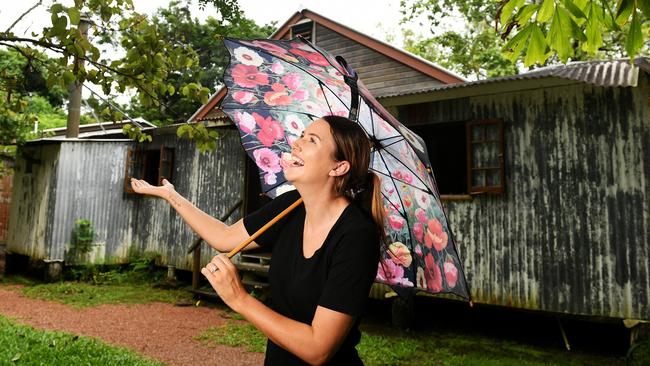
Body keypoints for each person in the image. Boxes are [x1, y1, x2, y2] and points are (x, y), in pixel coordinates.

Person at [130, 115, 384, 365]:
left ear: (338, 167)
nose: (297, 143)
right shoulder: (290, 206)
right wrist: (171, 196)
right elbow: (224, 237)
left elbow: (317, 349)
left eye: (312, 140)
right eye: (302, 135)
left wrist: (240, 299)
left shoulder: (356, 236)